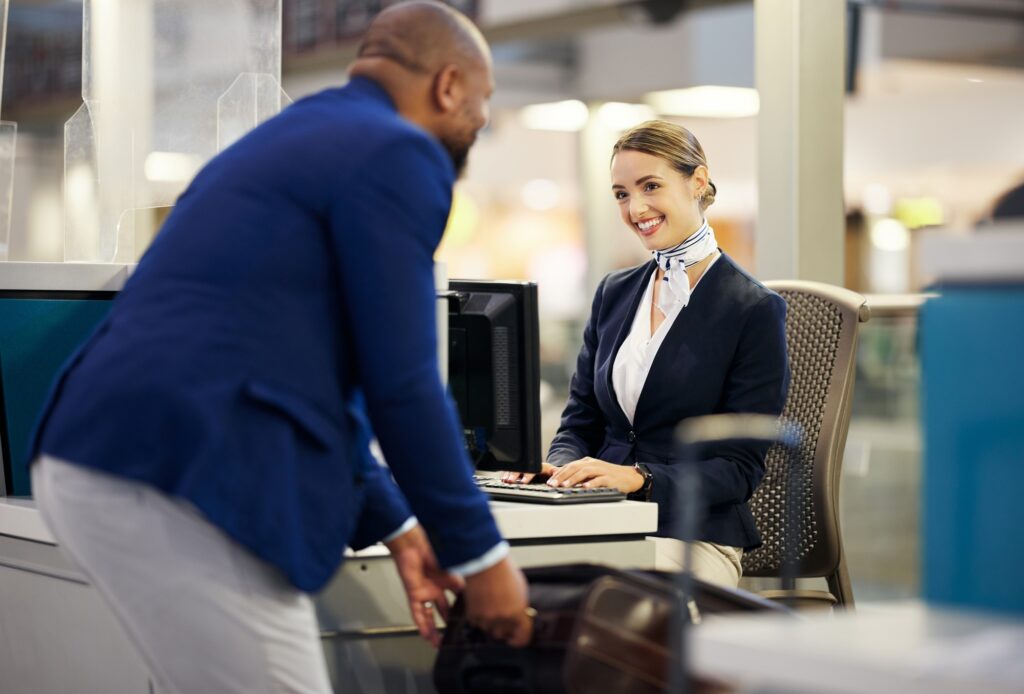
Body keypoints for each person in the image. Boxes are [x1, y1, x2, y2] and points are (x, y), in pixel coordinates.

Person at [28, 3, 531, 692]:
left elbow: (306, 374)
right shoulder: (399, 151)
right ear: (448, 85)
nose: (481, 120)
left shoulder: (287, 139)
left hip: (107, 453)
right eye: (483, 101)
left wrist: (401, 526)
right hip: (188, 470)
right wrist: (482, 556)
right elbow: (403, 382)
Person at [505, 120, 790, 587]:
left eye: (650, 186)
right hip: (601, 521)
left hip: (694, 537)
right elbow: (580, 419)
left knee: (593, 597)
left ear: (697, 182)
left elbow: (739, 469)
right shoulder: (614, 293)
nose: (635, 208)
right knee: (502, 577)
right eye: (621, 194)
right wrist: (560, 465)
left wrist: (640, 478)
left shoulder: (753, 310)